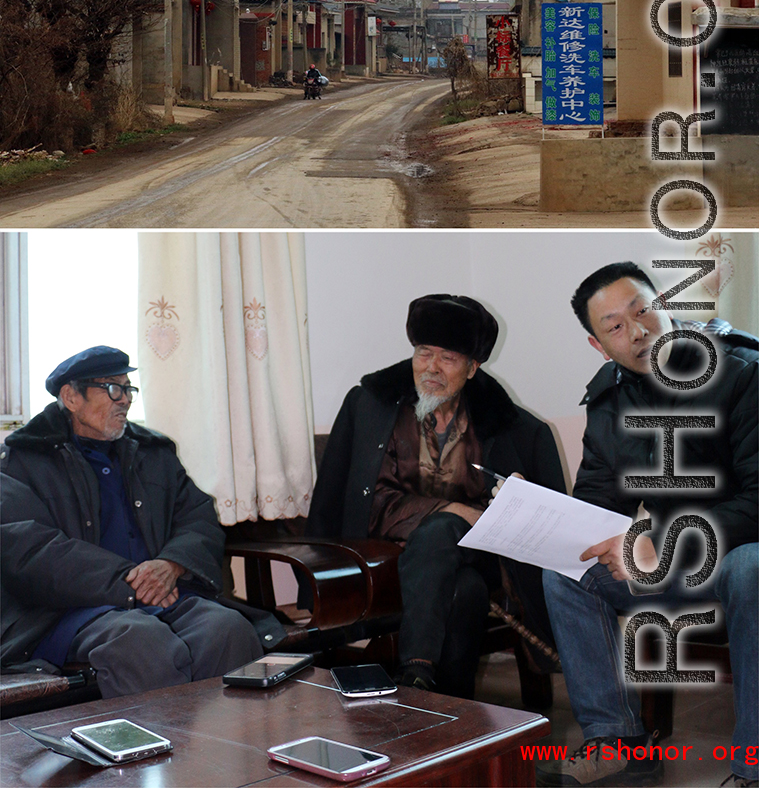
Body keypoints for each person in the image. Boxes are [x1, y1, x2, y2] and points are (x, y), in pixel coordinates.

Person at [537, 263, 758, 788]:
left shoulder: (742, 372)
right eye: (615, 326)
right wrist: (534, 512)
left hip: (738, 554)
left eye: (643, 310)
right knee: (567, 572)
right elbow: (595, 500)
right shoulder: (611, 399)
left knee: (753, 568)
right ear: (598, 345)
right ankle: (616, 741)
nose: (637, 331)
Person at [306, 294, 566, 698]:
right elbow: (358, 499)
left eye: (448, 358)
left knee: (446, 536)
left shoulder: (514, 429)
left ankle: (415, 676)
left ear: (473, 368)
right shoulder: (370, 407)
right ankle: (447, 708)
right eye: (423, 353)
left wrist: (514, 498)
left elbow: (545, 519)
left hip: (478, 554)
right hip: (385, 557)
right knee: (464, 588)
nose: (431, 368)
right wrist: (456, 509)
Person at [0, 345, 285, 698]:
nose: (125, 401)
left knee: (227, 628)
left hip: (163, 596)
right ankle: (163, 752)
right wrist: (128, 582)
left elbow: (197, 517)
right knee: (140, 642)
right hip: (67, 611)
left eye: (128, 389)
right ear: (71, 397)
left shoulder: (152, 452)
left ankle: (221, 748)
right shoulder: (22, 460)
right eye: (112, 389)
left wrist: (172, 564)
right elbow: (31, 551)